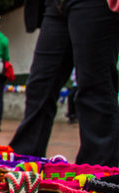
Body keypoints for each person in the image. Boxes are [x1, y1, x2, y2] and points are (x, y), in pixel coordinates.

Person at [10, 0, 119, 166]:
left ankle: (98, 172)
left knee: (94, 85)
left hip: (95, 5)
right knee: (40, 85)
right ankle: (24, 161)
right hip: (55, 4)